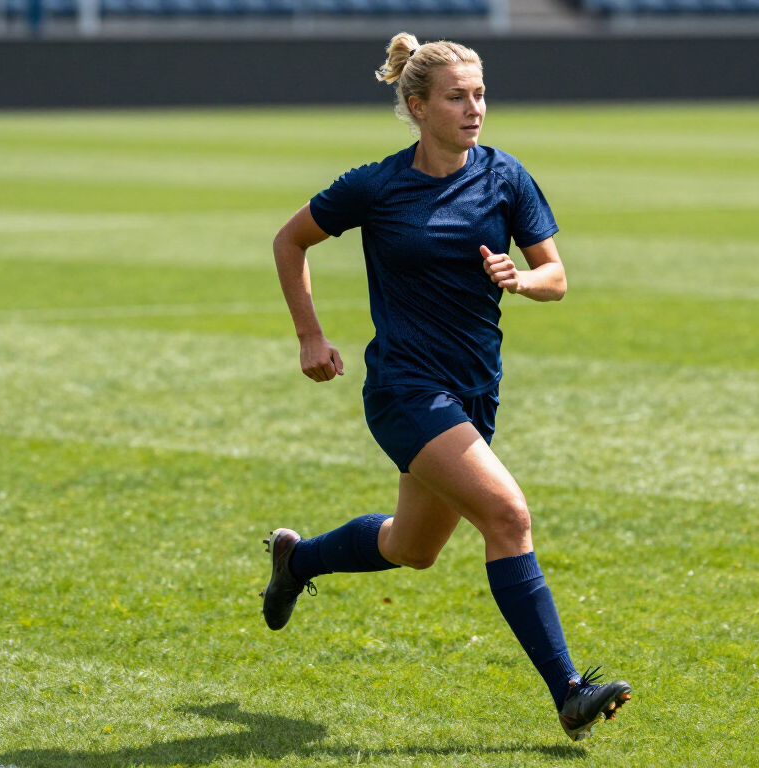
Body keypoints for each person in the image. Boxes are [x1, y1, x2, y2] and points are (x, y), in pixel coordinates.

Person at [262, 33, 632, 742]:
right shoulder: (376, 186)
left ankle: (297, 559)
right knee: (508, 516)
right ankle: (569, 693)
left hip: (474, 392)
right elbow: (290, 240)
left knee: (412, 548)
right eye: (458, 97)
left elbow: (556, 276)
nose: (475, 108)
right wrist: (310, 335)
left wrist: (522, 279)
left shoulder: (506, 176)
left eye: (481, 94)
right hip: (405, 389)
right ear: (417, 106)